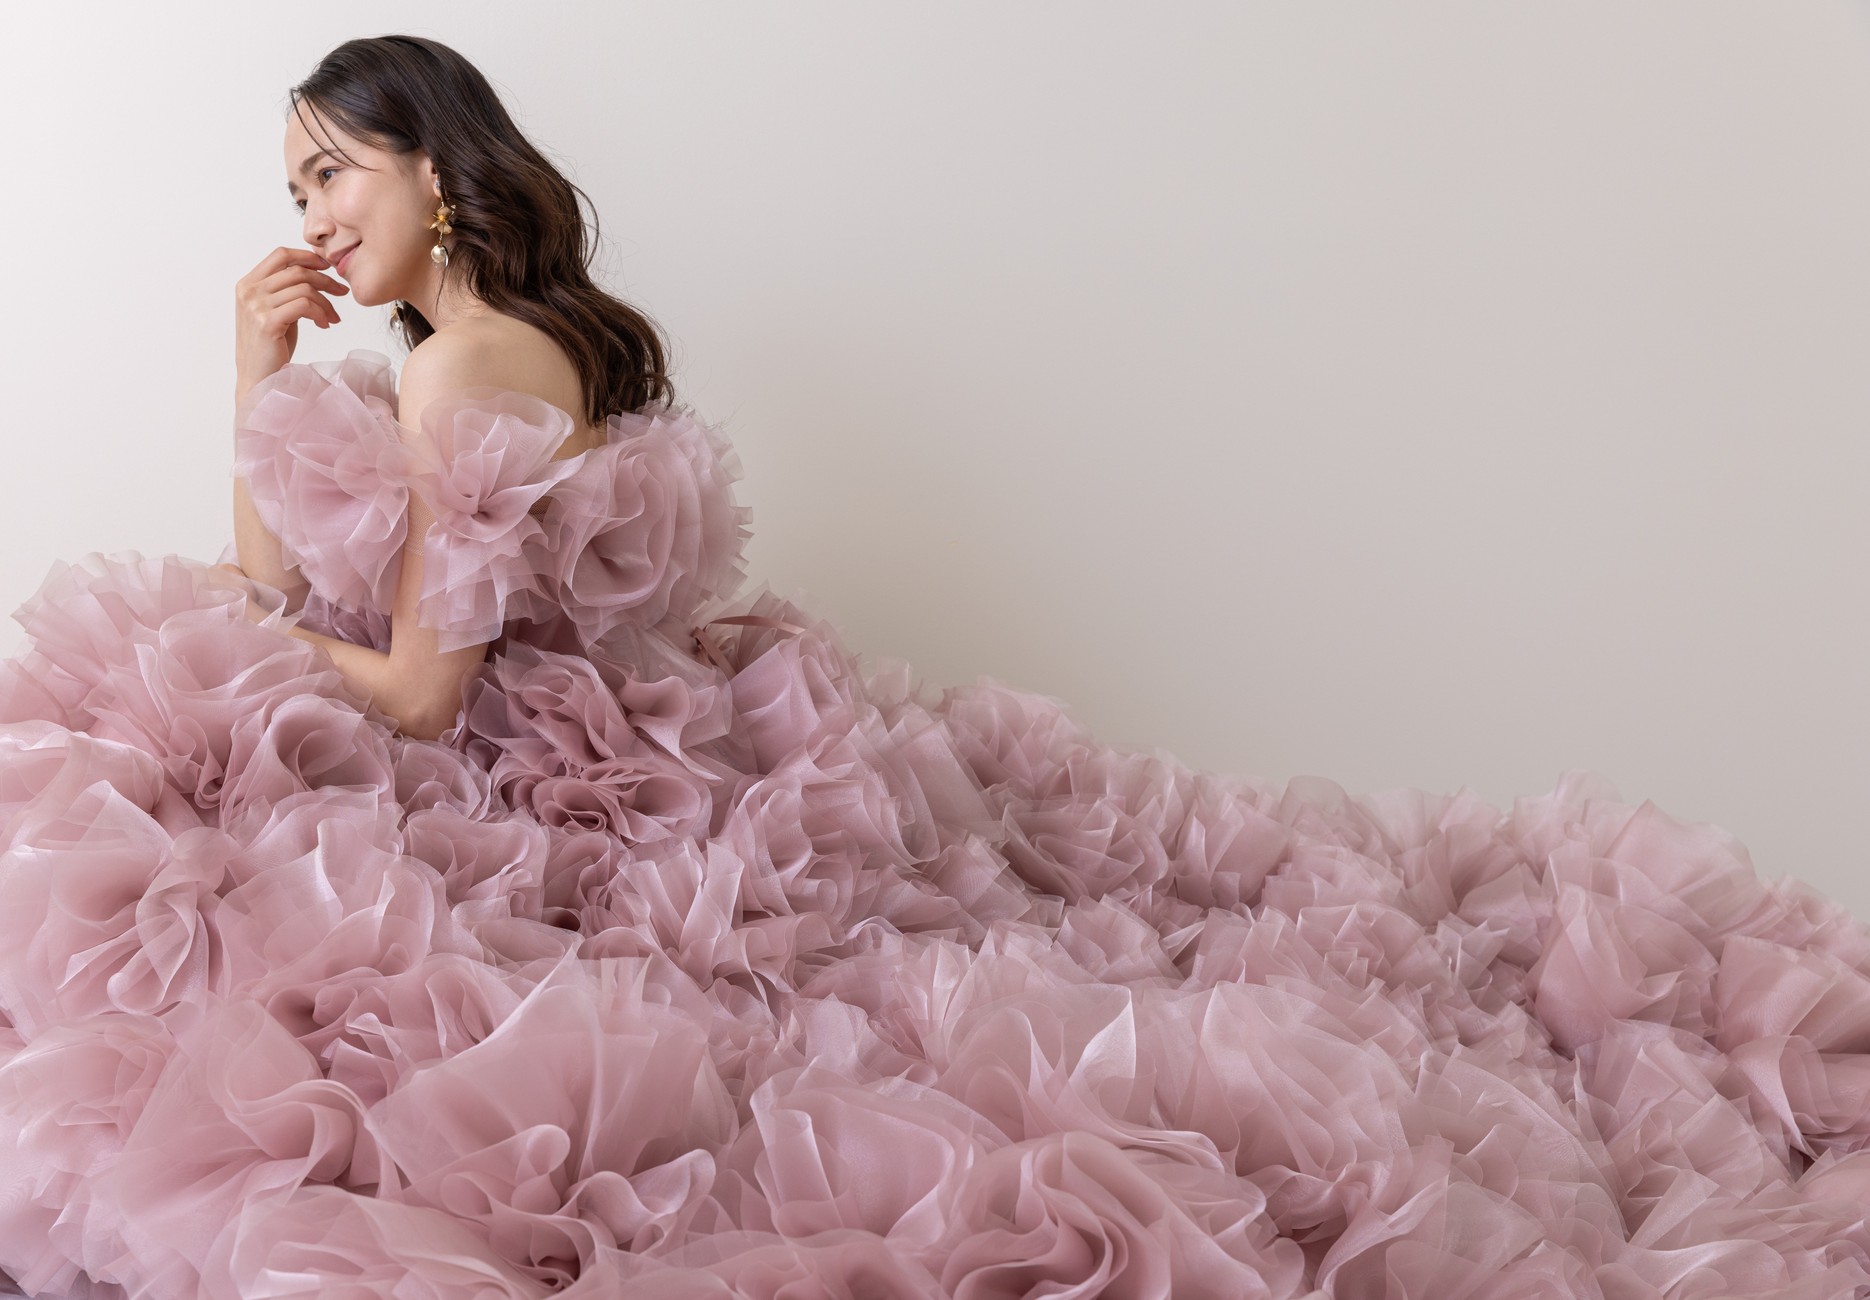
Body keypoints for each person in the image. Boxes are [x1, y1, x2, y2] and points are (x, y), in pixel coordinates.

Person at [1, 32, 1867, 1300]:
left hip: (529, 781)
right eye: (297, 185)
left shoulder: (462, 368)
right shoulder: (488, 350)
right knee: (148, 732)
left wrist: (240, 659)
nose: (314, 215)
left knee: (115, 782)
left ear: (437, 164)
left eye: (336, 171)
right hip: (605, 743)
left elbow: (411, 693)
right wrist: (254, 381)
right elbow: (274, 584)